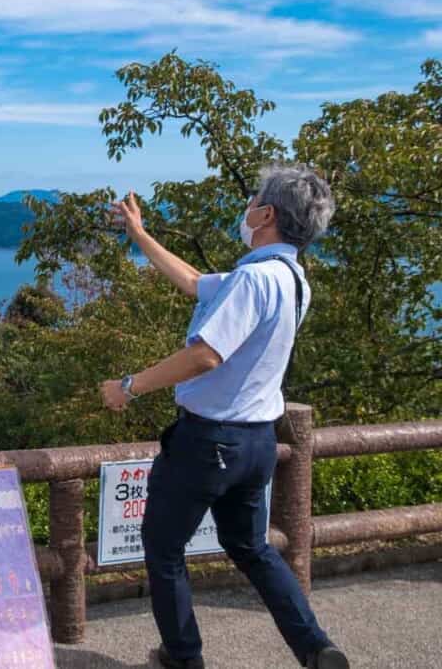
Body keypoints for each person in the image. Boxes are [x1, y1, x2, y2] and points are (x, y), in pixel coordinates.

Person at [101, 163, 349, 669]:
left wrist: (129, 386)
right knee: (252, 547)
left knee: (164, 549)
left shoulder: (252, 279)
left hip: (208, 441)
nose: (249, 206)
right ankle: (316, 648)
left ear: (266, 214)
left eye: (256, 199)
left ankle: (183, 658)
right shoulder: (292, 278)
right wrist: (140, 233)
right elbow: (193, 282)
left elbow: (205, 354)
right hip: (257, 444)